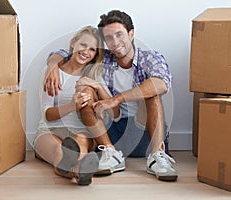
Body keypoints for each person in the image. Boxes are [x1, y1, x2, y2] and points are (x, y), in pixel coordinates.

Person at [43, 10, 178, 181]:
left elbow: (162, 84)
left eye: (119, 35)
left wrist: (116, 99)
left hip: (144, 133)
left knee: (152, 92)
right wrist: (52, 66)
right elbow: (66, 53)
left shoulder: (149, 58)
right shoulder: (105, 59)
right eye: (109, 38)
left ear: (131, 33)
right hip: (111, 133)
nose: (115, 42)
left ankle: (157, 156)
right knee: (87, 90)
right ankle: (110, 153)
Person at [34, 25, 124, 186]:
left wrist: (98, 87)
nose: (86, 52)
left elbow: (115, 114)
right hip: (50, 129)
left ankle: (78, 168)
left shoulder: (94, 76)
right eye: (83, 45)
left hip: (80, 131)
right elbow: (47, 114)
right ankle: (79, 171)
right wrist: (71, 106)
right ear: (73, 43)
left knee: (79, 144)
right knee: (58, 151)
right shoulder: (53, 73)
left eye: (92, 49)